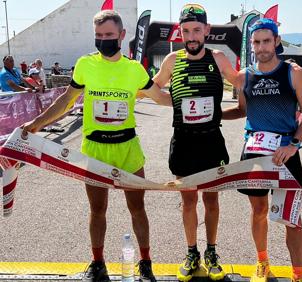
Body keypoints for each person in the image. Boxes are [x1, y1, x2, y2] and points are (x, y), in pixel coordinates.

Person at [21, 10, 171, 282]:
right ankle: (97, 261)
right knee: (97, 209)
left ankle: (146, 261)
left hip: (127, 148)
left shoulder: (134, 70)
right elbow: (67, 100)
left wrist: (189, 102)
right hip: (95, 149)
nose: (103, 41)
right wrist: (37, 122)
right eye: (98, 36)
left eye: (109, 36)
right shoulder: (84, 65)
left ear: (122, 36)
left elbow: (160, 98)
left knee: (137, 207)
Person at [223, 18, 302, 282]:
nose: (261, 47)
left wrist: (294, 145)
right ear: (252, 45)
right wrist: (212, 115)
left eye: (266, 41)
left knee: (292, 218)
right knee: (259, 210)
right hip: (255, 151)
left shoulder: (292, 72)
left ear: (276, 41)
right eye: (256, 42)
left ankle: (299, 275)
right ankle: (262, 263)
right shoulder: (245, 76)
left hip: (285, 151)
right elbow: (241, 111)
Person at [152, 4, 239, 281]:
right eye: (186, 30)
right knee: (188, 202)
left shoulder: (219, 58)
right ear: (180, 32)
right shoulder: (172, 61)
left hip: (212, 142)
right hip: (184, 142)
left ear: (207, 31)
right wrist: (173, 103)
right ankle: (192, 253)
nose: (191, 36)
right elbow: (153, 90)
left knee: (211, 201)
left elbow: (242, 82)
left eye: (197, 30)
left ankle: (211, 252)